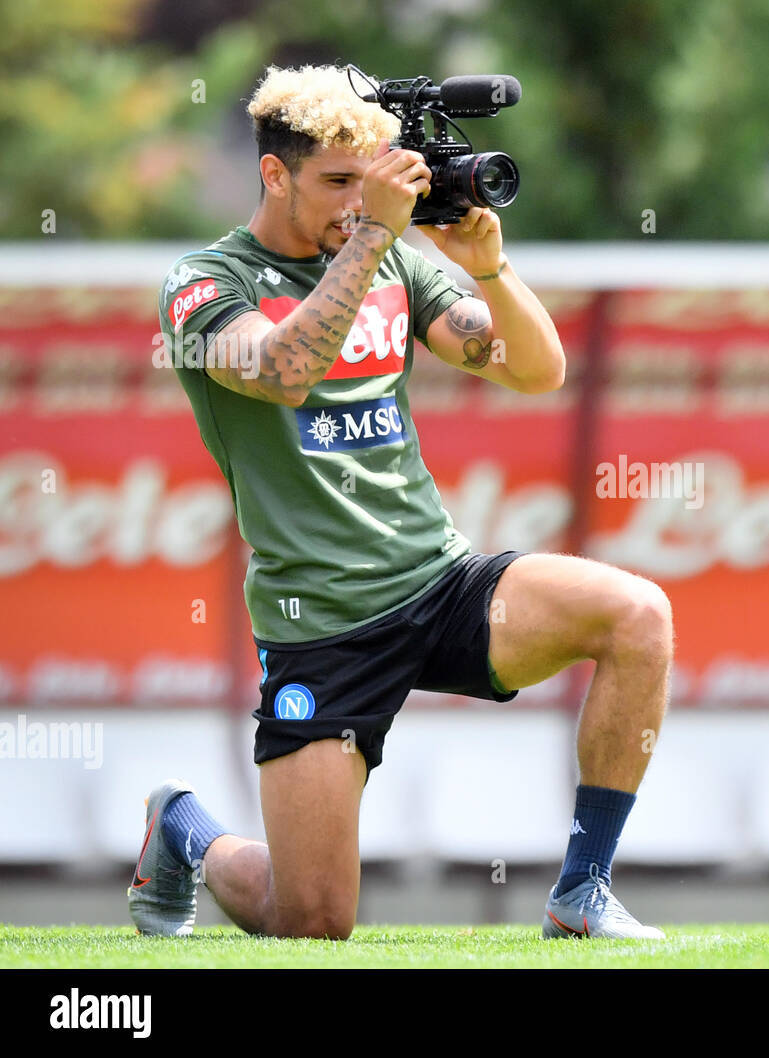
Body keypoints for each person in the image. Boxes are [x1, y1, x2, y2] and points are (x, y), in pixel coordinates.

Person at [130, 64, 671, 941]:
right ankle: (185, 828)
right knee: (309, 920)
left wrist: (491, 272)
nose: (357, 202)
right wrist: (373, 235)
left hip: (439, 580)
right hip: (323, 623)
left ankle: (582, 893)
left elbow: (536, 371)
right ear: (275, 175)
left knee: (637, 615)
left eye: (370, 179)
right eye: (337, 183)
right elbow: (282, 371)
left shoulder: (396, 265)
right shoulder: (205, 281)